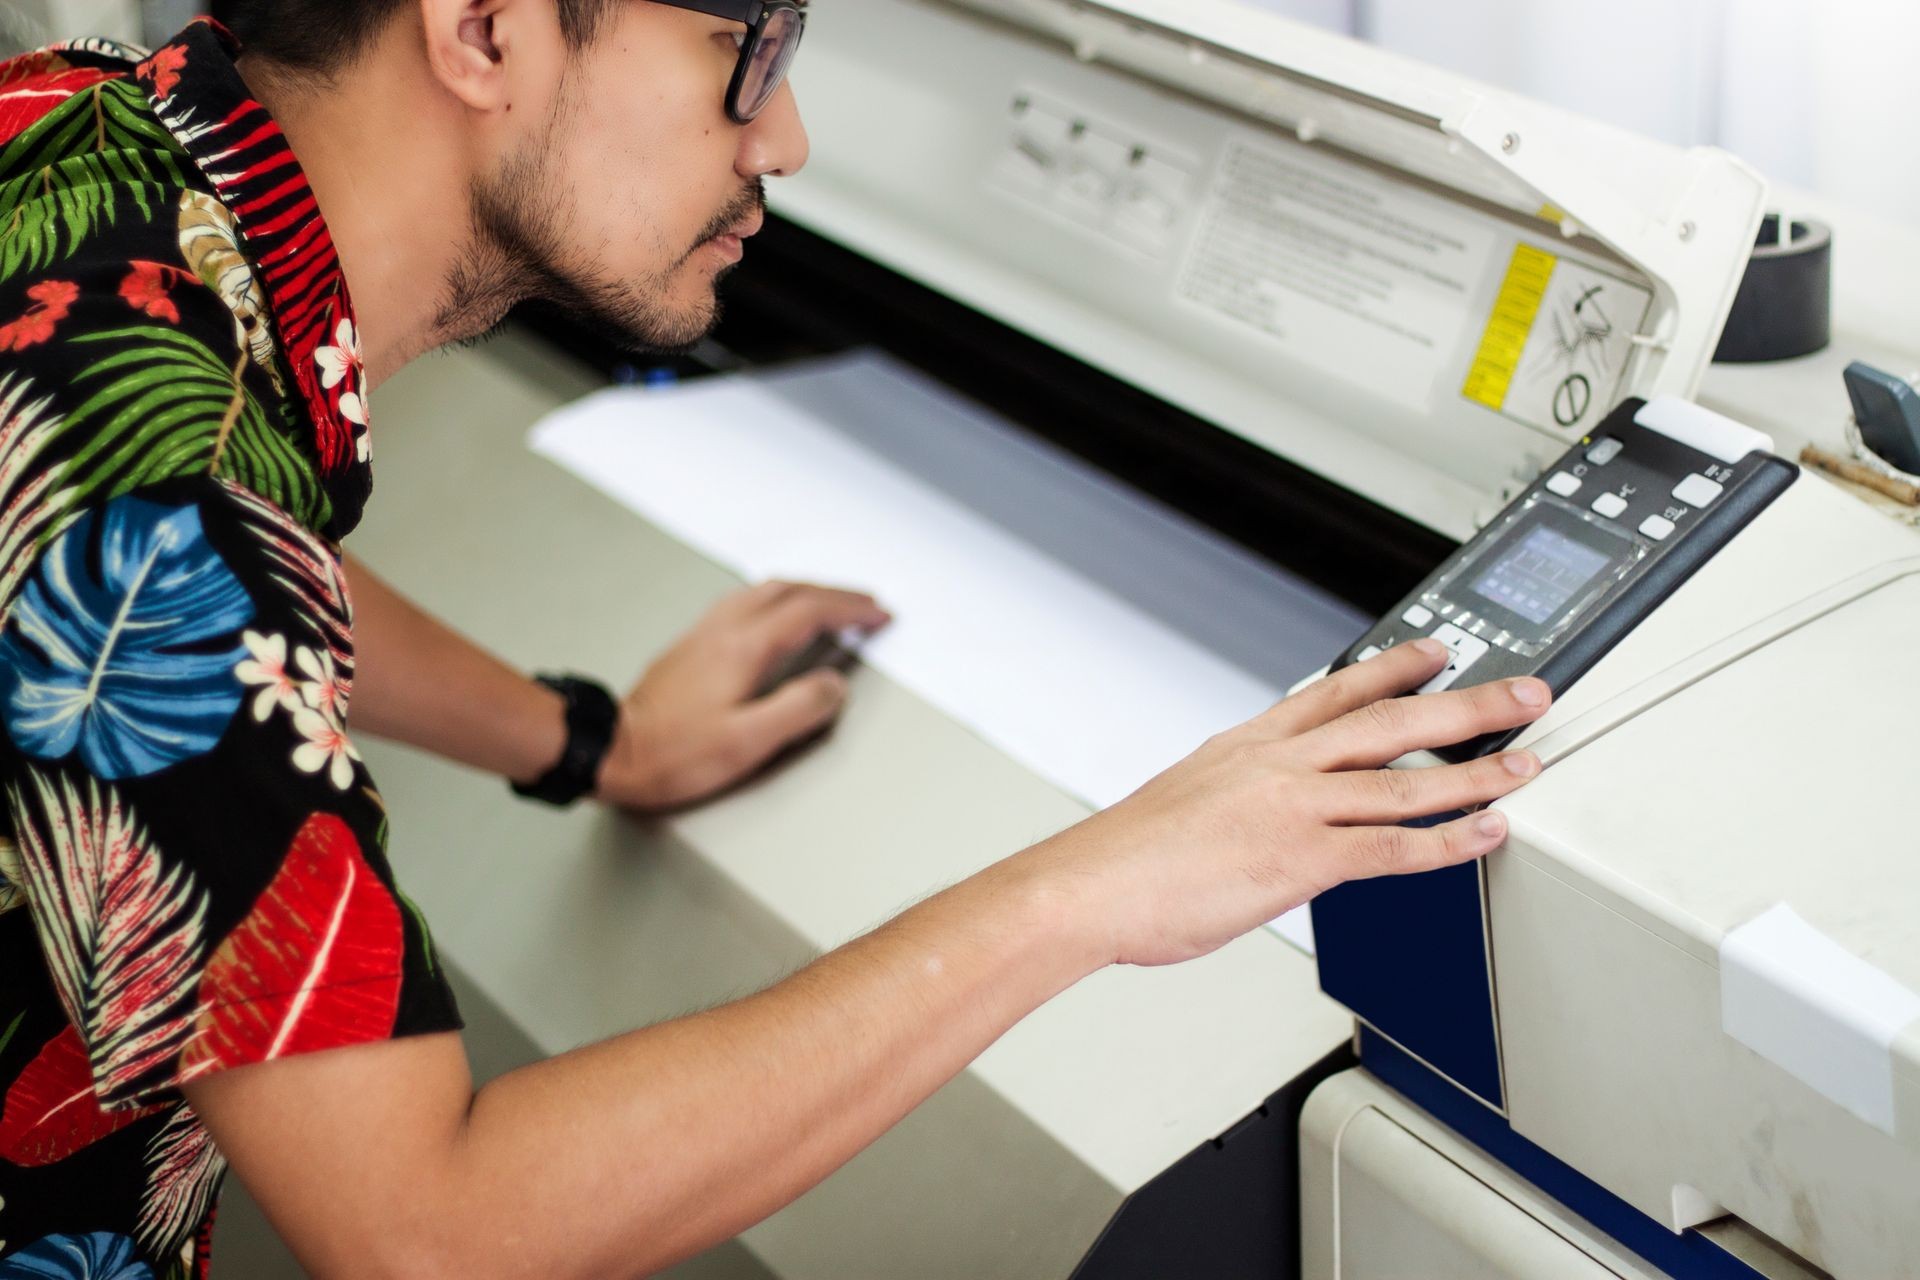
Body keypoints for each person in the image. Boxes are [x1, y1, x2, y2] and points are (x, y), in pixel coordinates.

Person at [0, 3, 1550, 1276]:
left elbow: (229, 614)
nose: (786, 141)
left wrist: (585, 737)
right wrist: (1105, 879)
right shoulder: (165, 483)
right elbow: (426, 1230)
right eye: (752, 49)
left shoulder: (85, 153)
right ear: (482, 30)